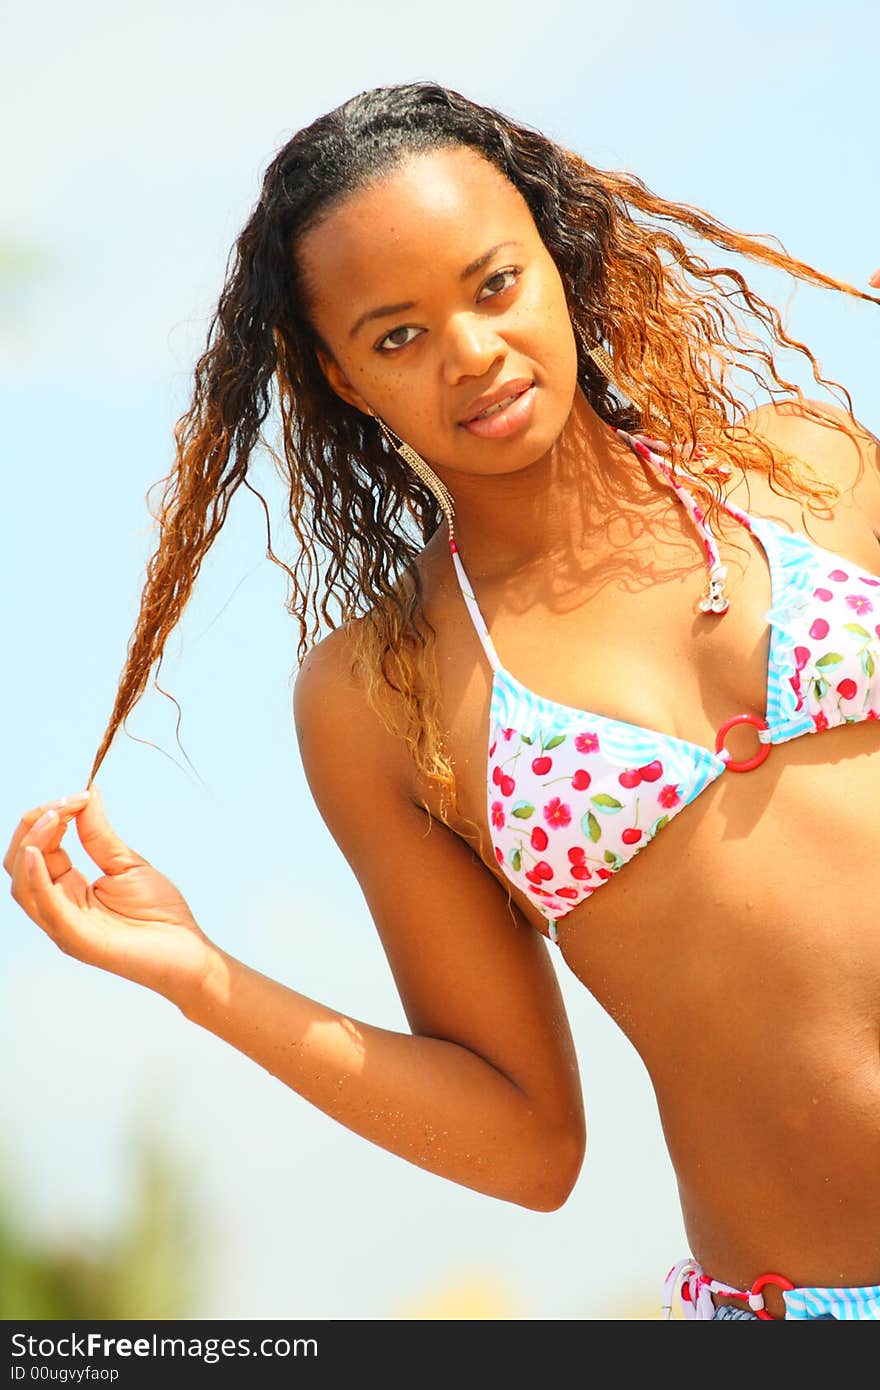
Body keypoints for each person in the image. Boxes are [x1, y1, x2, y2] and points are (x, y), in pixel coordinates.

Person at [6, 81, 880, 1322]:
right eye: (396, 335)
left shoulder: (815, 472)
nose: (471, 353)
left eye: (493, 284)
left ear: (557, 257)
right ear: (342, 376)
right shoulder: (381, 695)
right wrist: (198, 973)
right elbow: (529, 1146)